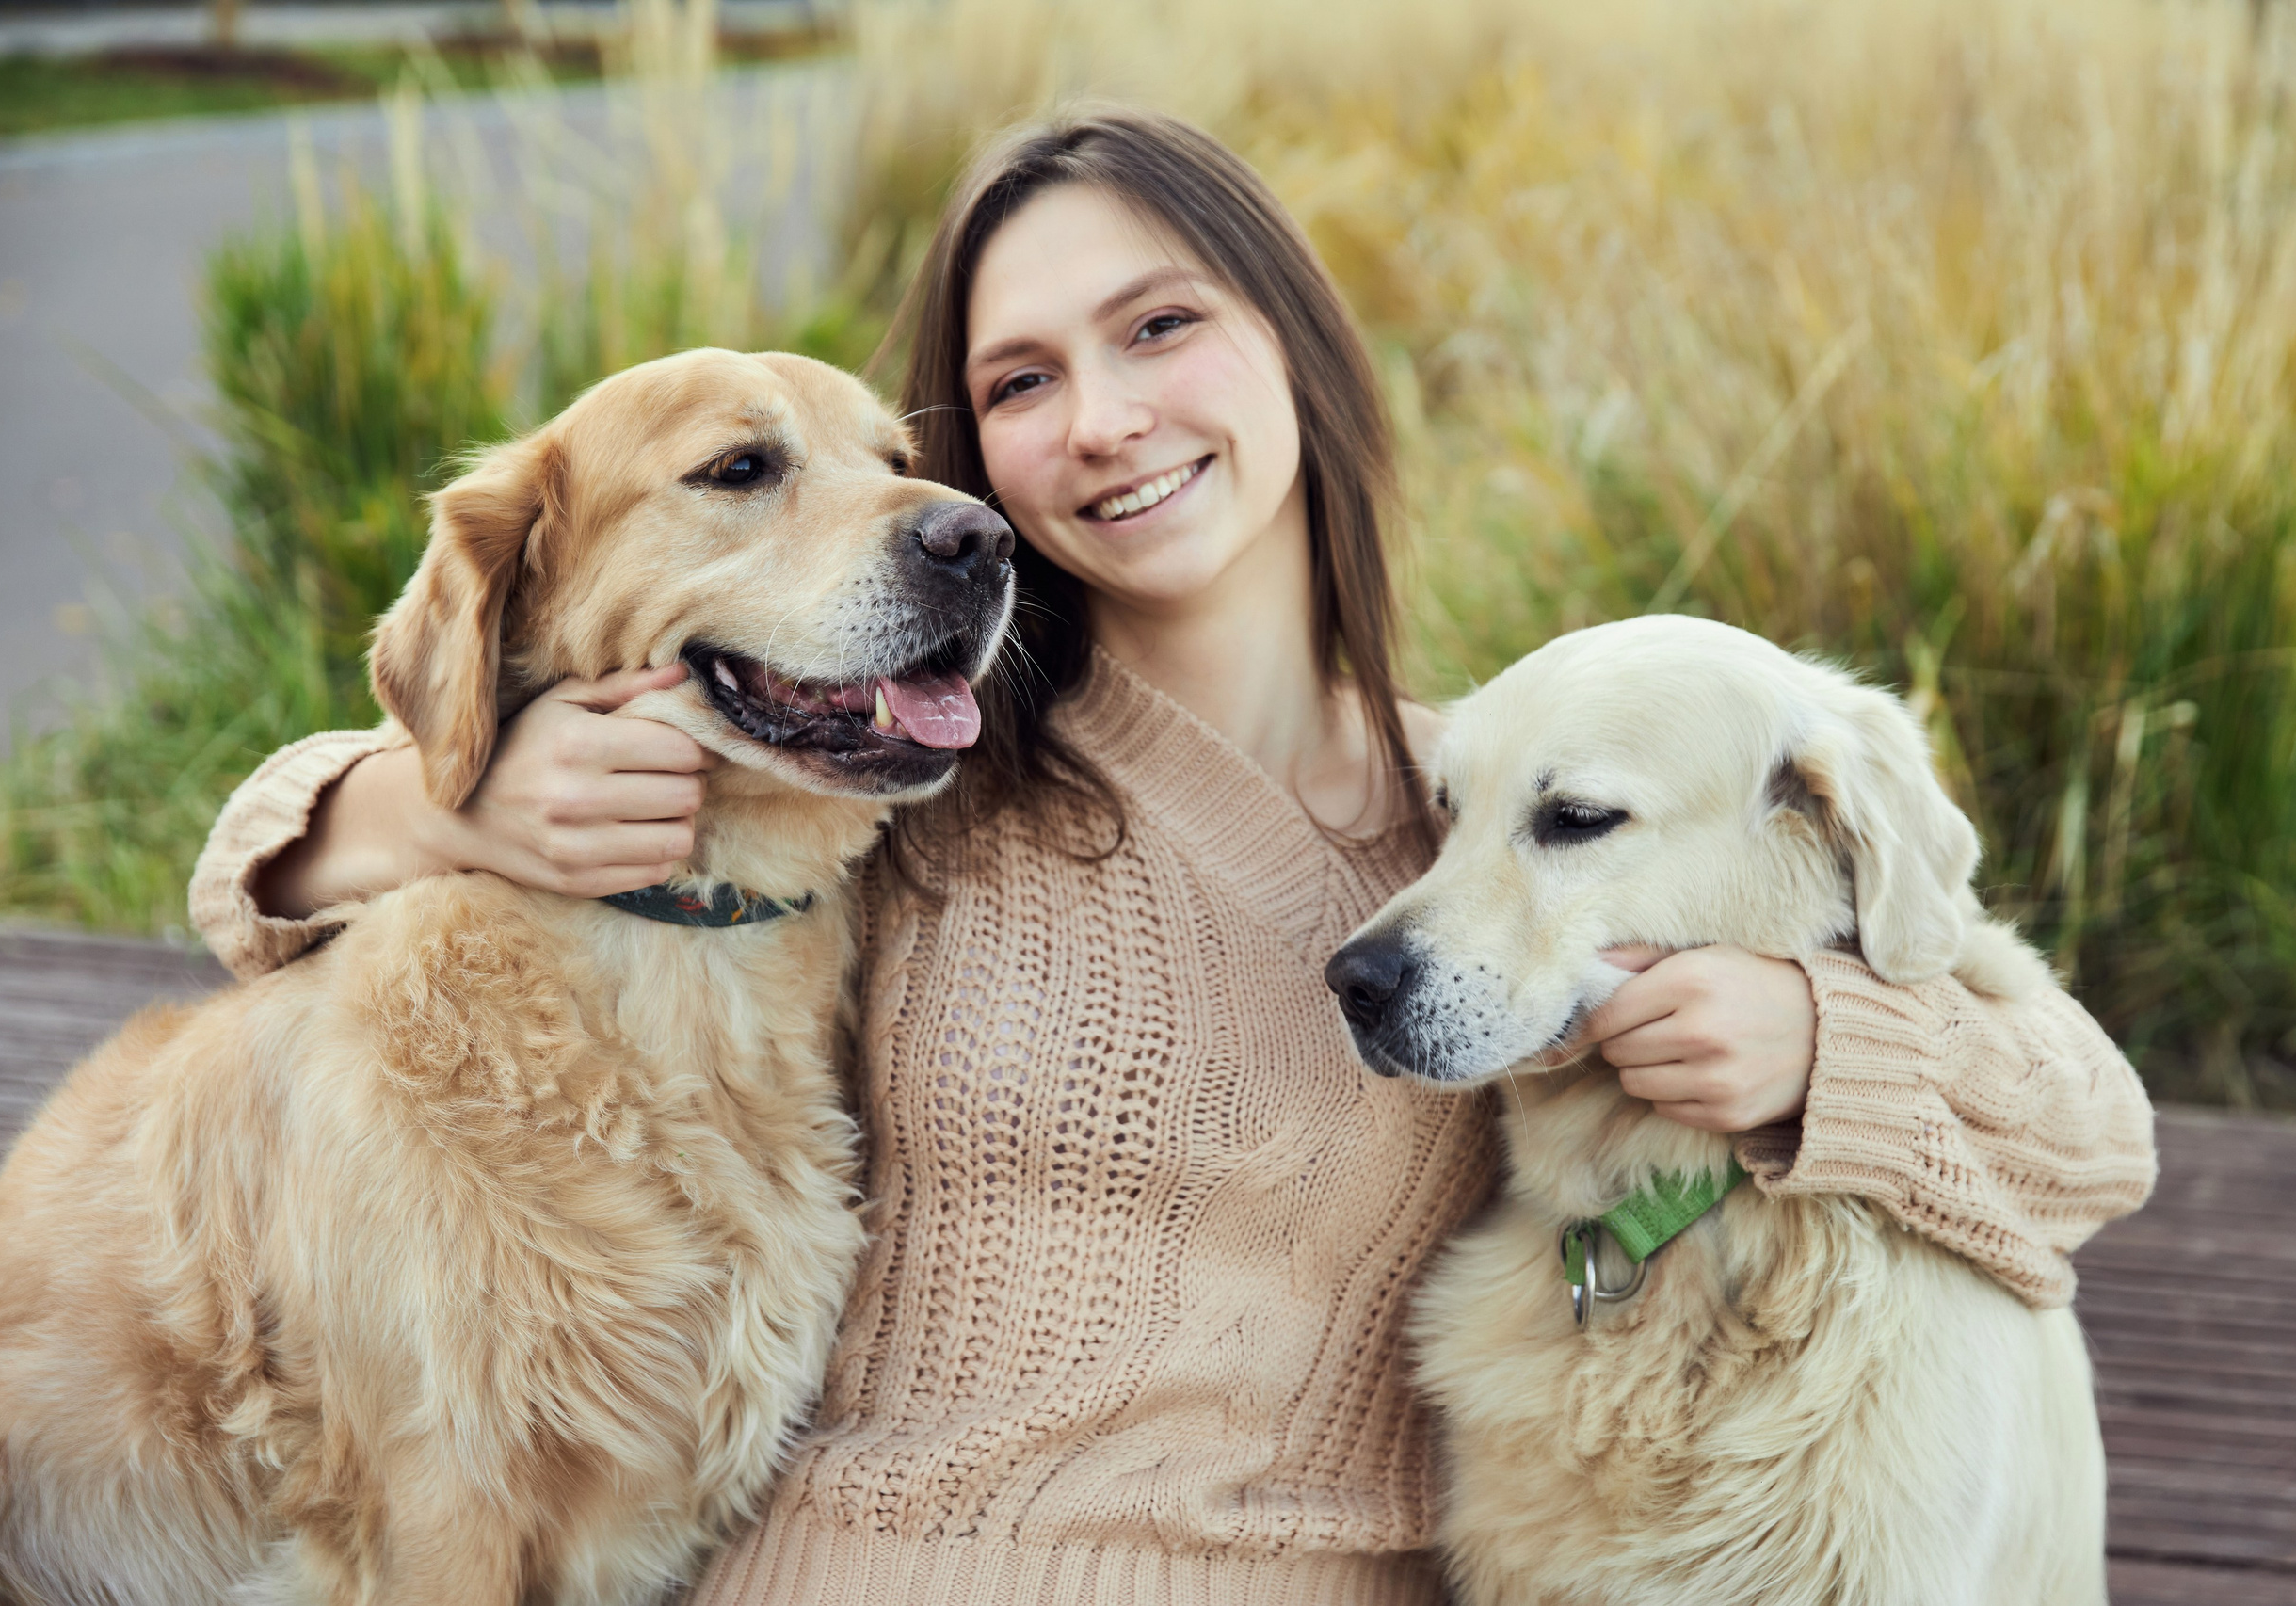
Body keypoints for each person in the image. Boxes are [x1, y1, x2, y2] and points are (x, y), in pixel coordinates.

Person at [189, 106, 2156, 1605]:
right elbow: (261, 874)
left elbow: (2086, 1139)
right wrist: (420, 803)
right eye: (1024, 382)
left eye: (1157, 329)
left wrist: (1818, 1045)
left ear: (1288, 344)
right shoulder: (904, 774)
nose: (1105, 422)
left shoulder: (1513, 820)